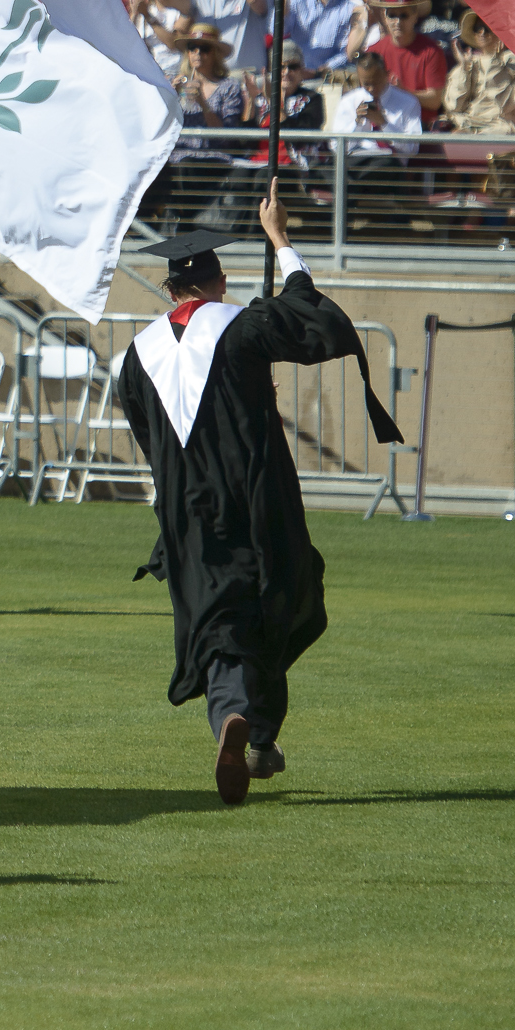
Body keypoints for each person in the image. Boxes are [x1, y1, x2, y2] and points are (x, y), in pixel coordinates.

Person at [110, 185, 402, 805]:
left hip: (186, 513)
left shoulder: (136, 356)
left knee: (217, 621)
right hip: (256, 501)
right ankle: (251, 725)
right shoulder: (244, 327)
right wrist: (282, 241)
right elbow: (316, 322)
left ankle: (245, 729)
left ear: (169, 291)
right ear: (219, 281)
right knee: (283, 602)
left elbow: (147, 436)